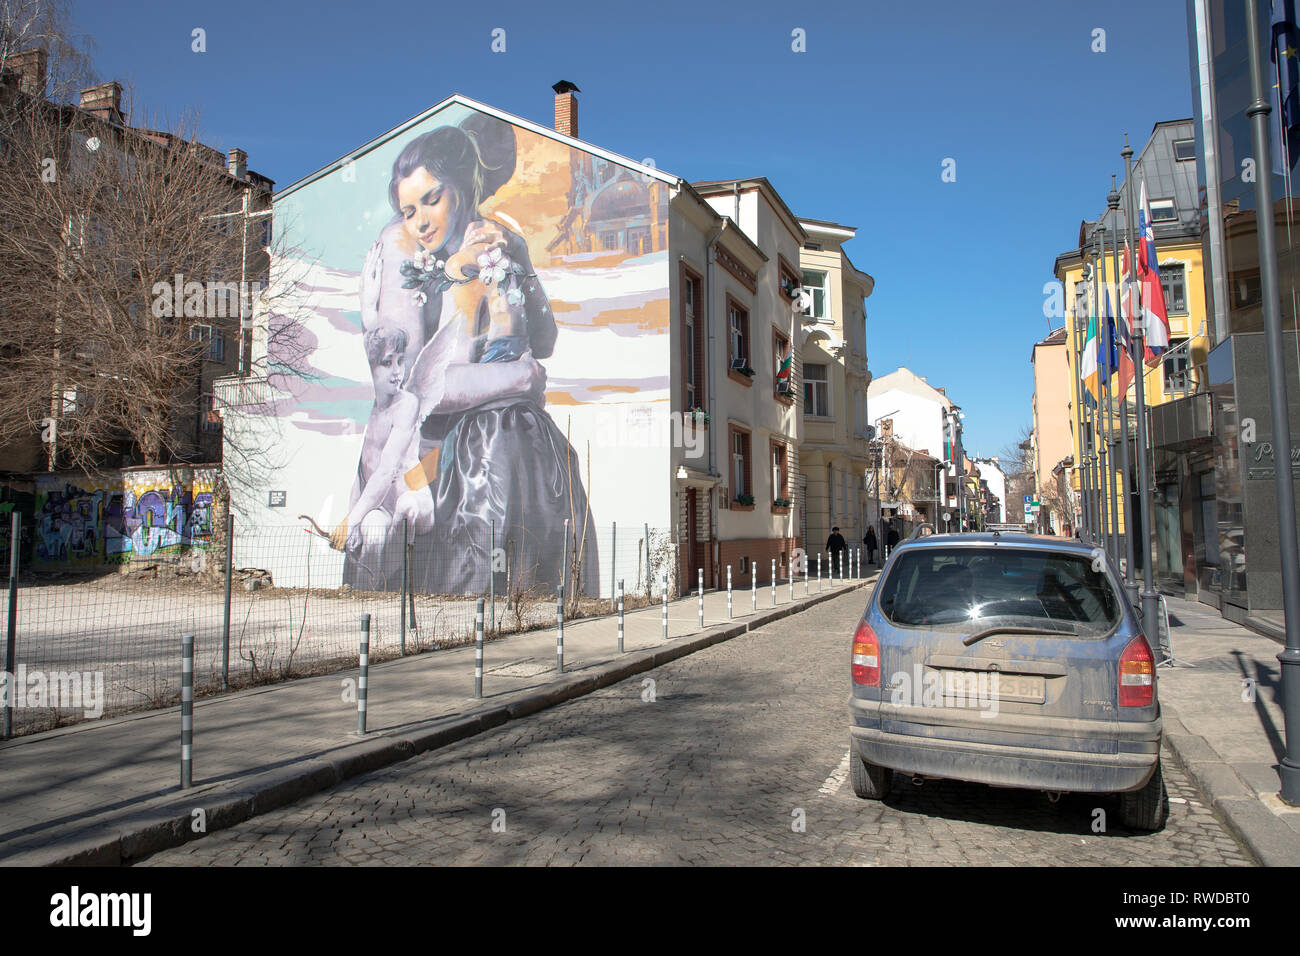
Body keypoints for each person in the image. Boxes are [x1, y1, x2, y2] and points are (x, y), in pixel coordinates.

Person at [350, 113, 597, 596]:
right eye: (408, 209)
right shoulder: (400, 247)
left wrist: (521, 262)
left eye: (432, 200)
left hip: (502, 444)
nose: (419, 222)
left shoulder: (497, 240)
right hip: (422, 464)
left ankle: (524, 626)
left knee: (510, 452)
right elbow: (413, 393)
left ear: (462, 187)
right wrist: (520, 378)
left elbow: (544, 339)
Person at [329, 327, 435, 580]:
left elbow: (387, 470)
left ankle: (393, 586)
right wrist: (352, 517)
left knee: (406, 506)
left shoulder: (406, 404)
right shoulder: (363, 409)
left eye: (400, 361)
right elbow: (360, 470)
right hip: (379, 505)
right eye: (387, 363)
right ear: (370, 367)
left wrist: (350, 520)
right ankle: (369, 598)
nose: (397, 371)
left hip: (413, 498)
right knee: (372, 530)